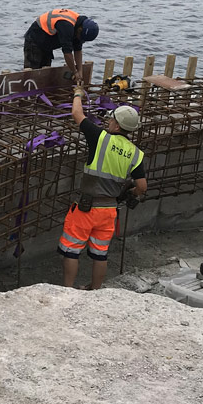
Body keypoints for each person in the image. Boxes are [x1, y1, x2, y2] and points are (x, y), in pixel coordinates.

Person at [58, 84, 147, 291]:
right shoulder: (135, 153)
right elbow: (142, 186)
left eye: (111, 119)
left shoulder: (100, 138)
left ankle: (67, 290)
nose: (109, 121)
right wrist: (130, 194)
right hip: (108, 211)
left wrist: (78, 93)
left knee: (71, 250)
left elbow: (76, 113)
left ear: (117, 125)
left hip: (86, 208)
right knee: (100, 253)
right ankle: (95, 289)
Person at [23, 9, 99, 83]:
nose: (80, 40)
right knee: (32, 71)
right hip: (34, 39)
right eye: (81, 37)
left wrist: (80, 71)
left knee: (45, 71)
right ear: (79, 30)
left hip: (47, 42)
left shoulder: (79, 24)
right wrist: (74, 72)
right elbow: (67, 53)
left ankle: (43, 92)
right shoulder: (66, 26)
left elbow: (78, 49)